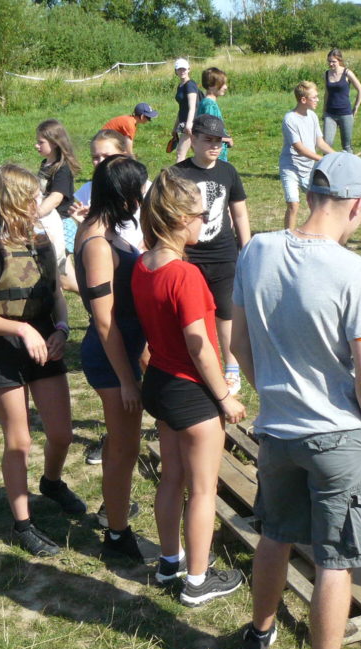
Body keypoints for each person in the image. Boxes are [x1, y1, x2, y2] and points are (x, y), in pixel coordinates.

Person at [232, 153, 361, 649]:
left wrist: (271, 392)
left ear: (313, 195)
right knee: (334, 561)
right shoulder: (354, 271)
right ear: (357, 205)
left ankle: (257, 639)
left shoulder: (256, 249)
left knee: (275, 534)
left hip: (277, 430)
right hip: (339, 436)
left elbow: (238, 342)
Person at [132, 168, 247, 607]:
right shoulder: (186, 275)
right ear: (181, 219)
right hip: (191, 393)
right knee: (203, 490)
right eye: (201, 215)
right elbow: (200, 347)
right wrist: (225, 396)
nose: (206, 222)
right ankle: (198, 582)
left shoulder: (143, 265)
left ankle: (169, 562)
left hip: (160, 384)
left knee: (171, 479)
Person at [0, 164, 84, 558]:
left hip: (46, 345)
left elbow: (57, 293)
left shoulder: (42, 237)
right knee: (19, 441)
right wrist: (22, 330)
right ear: (13, 200)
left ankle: (51, 482)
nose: (40, 203)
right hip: (6, 350)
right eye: (33, 197)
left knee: (62, 434)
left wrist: (61, 328)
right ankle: (23, 523)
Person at [73, 155, 149, 561]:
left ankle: (114, 509)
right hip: (112, 359)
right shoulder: (99, 245)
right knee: (124, 448)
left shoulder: (95, 229)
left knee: (122, 446)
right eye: (139, 191)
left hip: (123, 352)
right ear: (125, 196)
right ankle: (117, 535)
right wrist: (127, 379)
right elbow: (104, 320)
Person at [174, 114, 252, 396]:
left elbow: (239, 213)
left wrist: (246, 249)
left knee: (226, 311)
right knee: (192, 313)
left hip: (223, 254)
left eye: (219, 141)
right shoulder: (177, 174)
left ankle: (231, 367)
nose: (215, 146)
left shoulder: (228, 172)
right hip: (188, 257)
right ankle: (197, 362)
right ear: (193, 139)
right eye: (208, 140)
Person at [74, 130, 147, 252]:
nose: (101, 161)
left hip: (139, 254)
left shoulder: (143, 186)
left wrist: (149, 241)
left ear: (123, 155)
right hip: (104, 252)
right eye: (95, 157)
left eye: (107, 156)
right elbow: (84, 239)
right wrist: (85, 222)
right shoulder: (88, 189)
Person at [279, 81, 335, 230]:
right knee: (293, 204)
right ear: (303, 100)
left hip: (308, 169)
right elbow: (300, 149)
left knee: (318, 204)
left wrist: (335, 156)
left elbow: (320, 143)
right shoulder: (290, 119)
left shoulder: (313, 116)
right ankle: (288, 237)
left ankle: (317, 233)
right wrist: (322, 159)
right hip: (290, 168)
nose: (318, 100)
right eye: (314, 97)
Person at [34, 119, 82, 292]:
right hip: (49, 224)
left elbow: (56, 197)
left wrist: (36, 213)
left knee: (65, 279)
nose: (36, 145)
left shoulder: (62, 169)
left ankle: (99, 303)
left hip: (61, 225)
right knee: (54, 276)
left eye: (41, 142)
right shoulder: (45, 164)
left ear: (54, 143)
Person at [323, 48, 361, 153]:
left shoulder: (347, 73)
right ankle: (327, 163)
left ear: (339, 60)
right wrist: (324, 110)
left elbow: (360, 90)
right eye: (329, 61)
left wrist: (356, 107)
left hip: (345, 113)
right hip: (330, 114)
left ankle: (349, 163)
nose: (331, 64)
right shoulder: (326, 74)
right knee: (326, 145)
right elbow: (326, 93)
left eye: (333, 61)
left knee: (346, 146)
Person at [197, 67, 232, 162]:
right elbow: (210, 132)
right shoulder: (210, 105)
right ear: (211, 86)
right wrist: (227, 139)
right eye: (222, 84)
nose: (225, 87)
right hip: (215, 154)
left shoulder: (204, 102)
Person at [172, 58, 199, 163]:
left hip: (191, 123)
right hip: (185, 122)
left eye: (184, 69)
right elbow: (182, 108)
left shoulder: (190, 85)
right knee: (199, 152)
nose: (182, 71)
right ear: (176, 71)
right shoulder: (180, 86)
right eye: (179, 69)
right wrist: (175, 127)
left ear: (188, 69)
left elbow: (193, 107)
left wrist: (189, 124)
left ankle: (178, 174)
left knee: (180, 152)